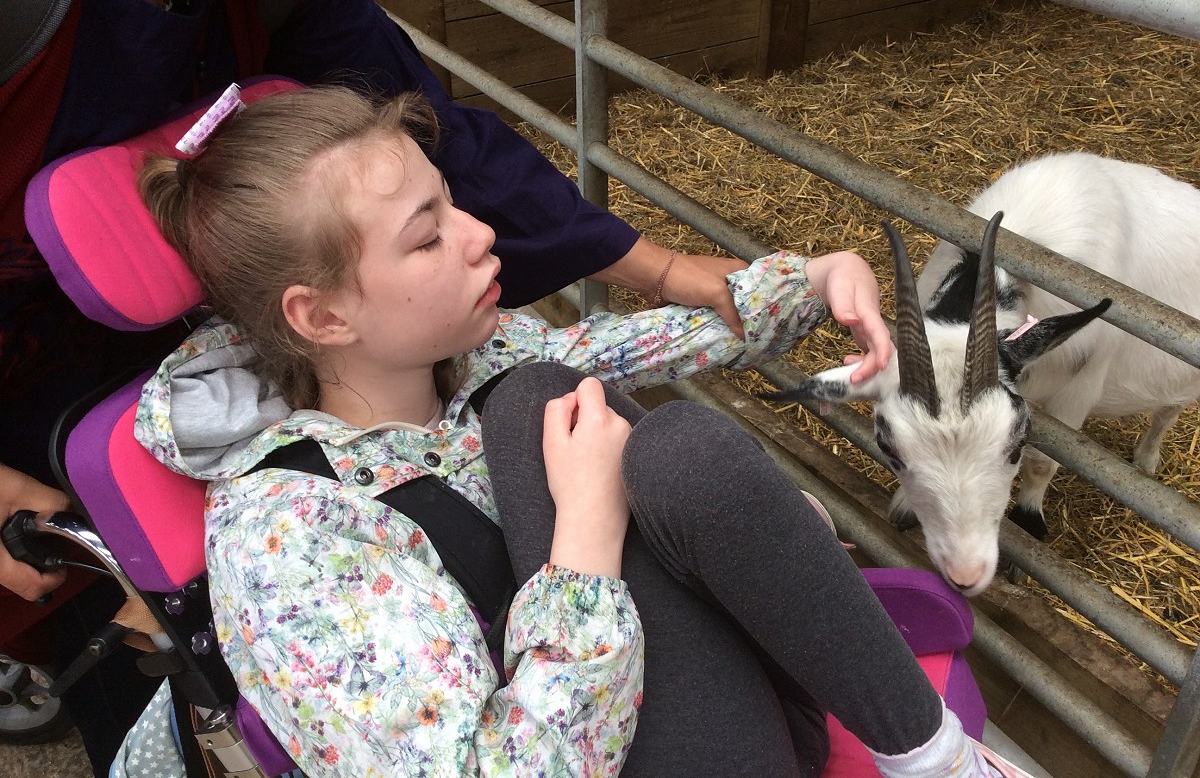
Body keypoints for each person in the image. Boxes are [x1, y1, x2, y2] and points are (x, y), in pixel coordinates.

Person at [0, 0, 744, 769]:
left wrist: (667, 272)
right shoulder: (289, 538)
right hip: (35, 419)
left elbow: (437, 145)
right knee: (126, 650)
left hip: (216, 359)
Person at [121, 84, 1032, 777]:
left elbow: (632, 343)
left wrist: (812, 281)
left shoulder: (478, 362)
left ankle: (939, 762)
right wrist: (587, 544)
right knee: (556, 402)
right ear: (321, 319)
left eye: (453, 202)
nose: (482, 236)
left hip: (713, 716)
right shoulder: (290, 538)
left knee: (588, 411)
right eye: (427, 237)